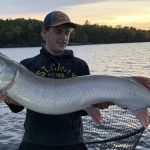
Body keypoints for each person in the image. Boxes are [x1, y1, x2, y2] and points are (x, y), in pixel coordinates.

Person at [0, 10, 150, 150]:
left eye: (67, 33)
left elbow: (81, 110)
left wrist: (99, 103)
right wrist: (8, 97)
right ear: (44, 33)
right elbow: (17, 108)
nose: (64, 37)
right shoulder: (28, 65)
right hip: (34, 141)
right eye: (58, 32)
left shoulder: (79, 65)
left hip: (72, 142)